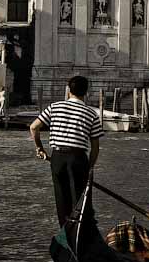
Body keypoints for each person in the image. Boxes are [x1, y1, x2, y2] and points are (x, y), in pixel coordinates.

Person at [29, 75, 103, 226]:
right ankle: (80, 229)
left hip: (58, 158)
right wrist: (90, 167)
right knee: (80, 198)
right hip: (78, 158)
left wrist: (40, 148)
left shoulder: (54, 107)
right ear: (86, 93)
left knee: (62, 197)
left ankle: (65, 229)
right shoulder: (92, 114)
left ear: (69, 91)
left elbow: (33, 127)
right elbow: (95, 147)